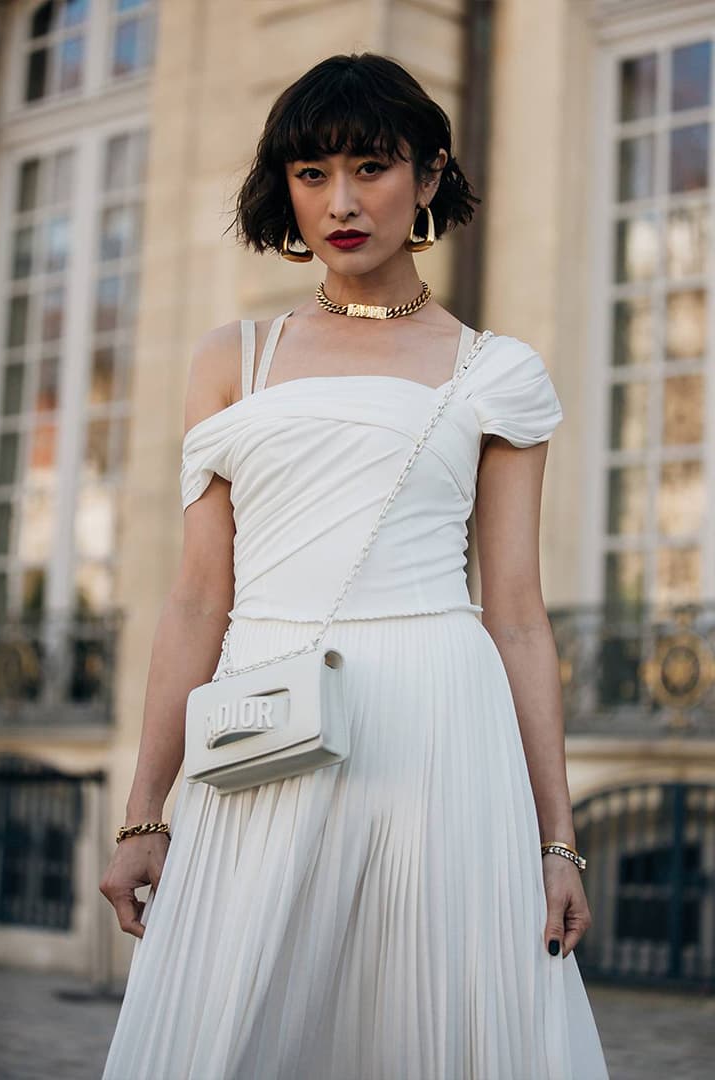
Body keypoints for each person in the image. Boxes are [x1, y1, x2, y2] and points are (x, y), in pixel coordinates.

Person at [100, 51, 610, 1080]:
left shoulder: (496, 371)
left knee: (440, 1025)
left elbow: (514, 612)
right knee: (226, 1023)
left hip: (439, 730)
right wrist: (146, 812)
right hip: (261, 720)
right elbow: (198, 598)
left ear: (428, 175)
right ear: (284, 189)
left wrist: (556, 842)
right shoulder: (228, 359)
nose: (341, 201)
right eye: (312, 173)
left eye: (371, 167)